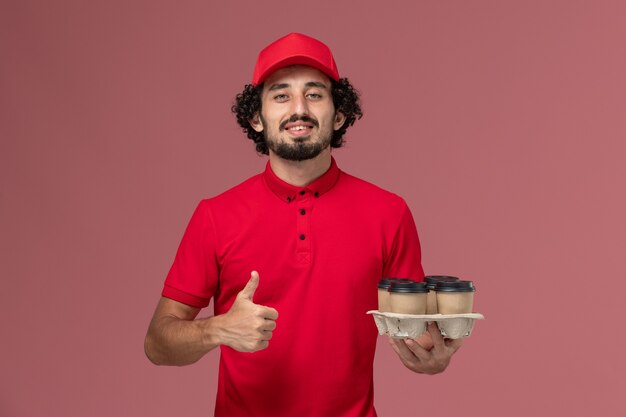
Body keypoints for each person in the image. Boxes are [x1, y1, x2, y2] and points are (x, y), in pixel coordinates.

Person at [144, 33, 463, 417]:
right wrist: (219, 329)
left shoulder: (388, 212)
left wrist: (434, 355)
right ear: (256, 118)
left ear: (339, 114)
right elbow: (157, 343)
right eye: (281, 95)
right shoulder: (215, 215)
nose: (299, 109)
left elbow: (416, 332)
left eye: (314, 94)